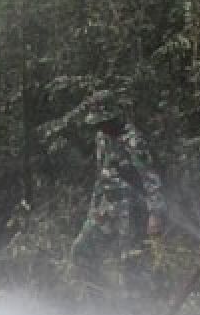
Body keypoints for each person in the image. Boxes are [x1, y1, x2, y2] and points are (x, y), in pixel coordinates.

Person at [68, 90, 166, 287]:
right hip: (106, 209)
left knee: (130, 264)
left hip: (131, 212)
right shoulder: (102, 137)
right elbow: (101, 175)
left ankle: (136, 310)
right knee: (81, 250)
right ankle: (99, 302)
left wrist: (155, 215)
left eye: (103, 120)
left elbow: (151, 179)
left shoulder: (133, 140)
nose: (101, 126)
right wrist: (93, 210)